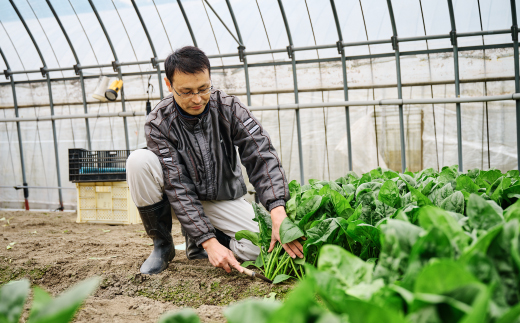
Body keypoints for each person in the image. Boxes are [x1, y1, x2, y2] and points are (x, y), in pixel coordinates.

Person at [126, 46, 303, 275]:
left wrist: (277, 209)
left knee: (261, 248)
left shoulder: (229, 108)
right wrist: (208, 242)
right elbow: (177, 185)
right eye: (186, 91)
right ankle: (163, 246)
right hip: (173, 198)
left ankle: (210, 237)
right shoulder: (159, 122)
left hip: (220, 200)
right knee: (138, 161)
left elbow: (261, 155)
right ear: (169, 86)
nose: (197, 99)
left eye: (203, 88)